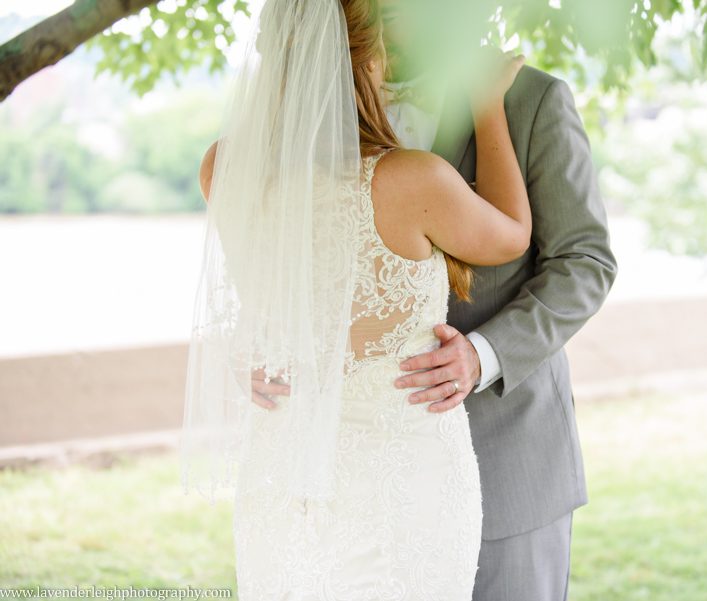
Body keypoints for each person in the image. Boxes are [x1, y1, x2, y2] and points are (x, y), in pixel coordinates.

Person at [185, 0, 530, 598]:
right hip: (402, 480)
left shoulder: (223, 167)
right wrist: (488, 103)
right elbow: (511, 234)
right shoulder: (411, 180)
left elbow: (263, 303)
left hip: (282, 471)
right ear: (366, 56)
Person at [377, 1, 619, 599]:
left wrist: (482, 356)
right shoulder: (330, 104)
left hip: (508, 459)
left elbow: (584, 263)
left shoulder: (531, 100)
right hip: (370, 467)